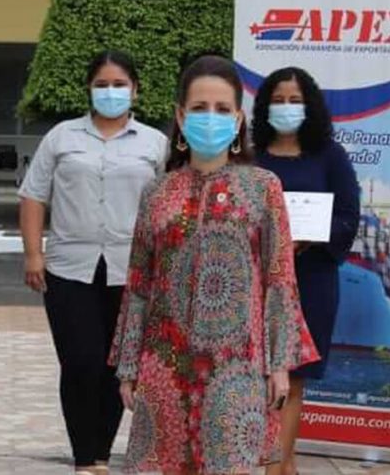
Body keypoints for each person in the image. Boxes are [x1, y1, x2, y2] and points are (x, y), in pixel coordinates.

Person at [110, 55, 320, 475]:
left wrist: (278, 364)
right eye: (201, 109)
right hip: (164, 367)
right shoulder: (157, 192)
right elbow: (139, 283)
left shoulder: (264, 189)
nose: (212, 119)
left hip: (237, 368)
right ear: (181, 116)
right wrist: (128, 363)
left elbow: (280, 281)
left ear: (239, 119)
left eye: (223, 110)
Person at [18, 50, 168, 474]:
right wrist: (33, 252)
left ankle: (101, 451)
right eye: (102, 84)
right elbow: (34, 195)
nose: (111, 92)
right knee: (79, 361)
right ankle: (84, 455)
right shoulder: (62, 137)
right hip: (69, 267)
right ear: (89, 89)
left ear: (135, 90)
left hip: (132, 270)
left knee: (115, 365)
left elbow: (169, 204)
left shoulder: (154, 144)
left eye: (119, 85)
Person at [253, 67, 360, 475]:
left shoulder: (330, 156)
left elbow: (349, 216)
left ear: (310, 105)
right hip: (257, 282)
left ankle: (276, 467)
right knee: (257, 374)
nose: (286, 107)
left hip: (312, 281)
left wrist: (310, 238)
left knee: (292, 379)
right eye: (278, 99)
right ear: (264, 107)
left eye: (294, 99)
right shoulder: (250, 157)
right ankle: (284, 464)